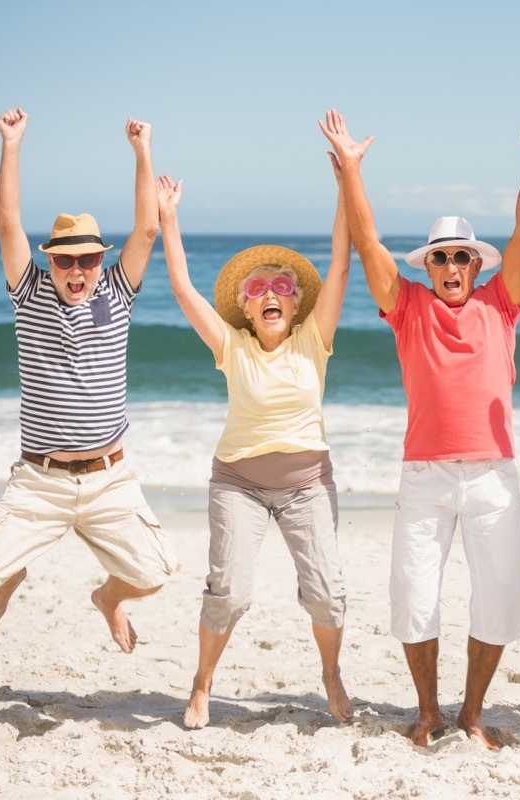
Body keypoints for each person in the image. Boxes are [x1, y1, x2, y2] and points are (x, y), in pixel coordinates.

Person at [319, 100, 520, 750]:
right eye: (440, 258)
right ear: (426, 266)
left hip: (492, 476)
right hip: (424, 477)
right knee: (414, 598)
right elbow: (367, 244)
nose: (452, 268)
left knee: (499, 599)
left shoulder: (499, 304)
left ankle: (473, 714)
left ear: (476, 266)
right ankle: (428, 713)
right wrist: (349, 170)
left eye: (461, 258)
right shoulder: (408, 308)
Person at [0, 108, 176, 653]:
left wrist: (143, 150)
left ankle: (107, 598)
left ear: (101, 260)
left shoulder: (117, 293)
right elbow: (9, 224)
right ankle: (12, 574)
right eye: (65, 261)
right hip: (42, 480)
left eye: (87, 259)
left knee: (153, 575)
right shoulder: (29, 294)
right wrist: (12, 144)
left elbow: (148, 228)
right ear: (49, 263)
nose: (77, 271)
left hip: (109, 479)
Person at [156, 165, 354, 730]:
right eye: (257, 289)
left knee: (327, 595)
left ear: (297, 307)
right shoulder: (231, 346)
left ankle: (332, 675)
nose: (270, 294)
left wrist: (344, 184)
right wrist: (169, 218)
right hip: (238, 485)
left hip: (308, 486)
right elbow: (181, 288)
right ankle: (202, 684)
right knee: (231, 593)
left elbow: (341, 263)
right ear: (244, 308)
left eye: (282, 287)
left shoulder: (314, 341)